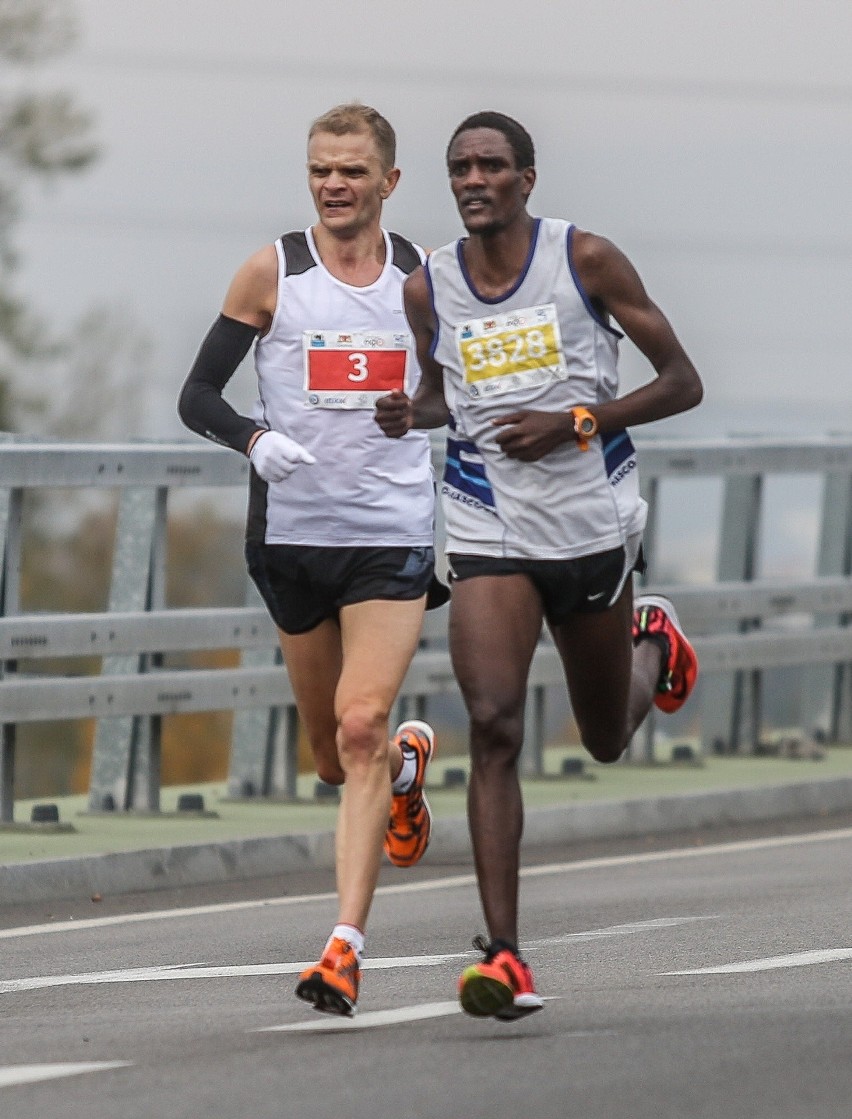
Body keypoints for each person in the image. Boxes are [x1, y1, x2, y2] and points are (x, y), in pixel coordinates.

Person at [375, 110, 704, 1020]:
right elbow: (444, 396)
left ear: (526, 178)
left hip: (590, 526)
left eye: (491, 166)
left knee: (604, 734)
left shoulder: (585, 261)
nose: (474, 180)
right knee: (493, 722)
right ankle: (505, 955)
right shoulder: (427, 288)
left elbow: (683, 380)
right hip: (488, 526)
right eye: (459, 169)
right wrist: (412, 415)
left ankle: (654, 644)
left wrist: (579, 420)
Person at [178, 103, 444, 1018]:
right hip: (292, 537)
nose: (335, 184)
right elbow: (196, 394)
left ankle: (343, 947)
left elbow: (460, 398)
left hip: (391, 534)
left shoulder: (422, 280)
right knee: (333, 756)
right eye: (321, 170)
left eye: (352, 171)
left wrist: (430, 423)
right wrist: (253, 440)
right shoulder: (274, 272)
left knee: (361, 721)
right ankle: (404, 773)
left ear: (388, 183)